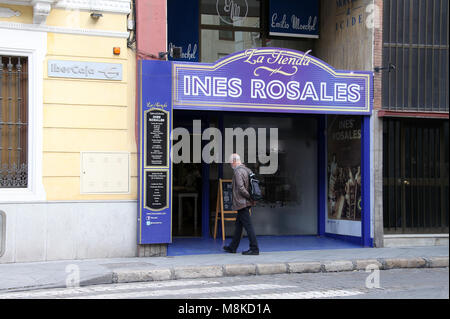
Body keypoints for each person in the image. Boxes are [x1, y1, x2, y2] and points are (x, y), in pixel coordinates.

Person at [223, 153, 259, 255]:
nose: (230, 165)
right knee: (238, 225)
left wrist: (250, 197)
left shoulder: (238, 172)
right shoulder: (247, 170)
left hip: (242, 203)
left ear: (234, 161)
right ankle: (232, 247)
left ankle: (254, 248)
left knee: (248, 226)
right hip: (245, 203)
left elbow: (241, 188)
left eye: (230, 163)